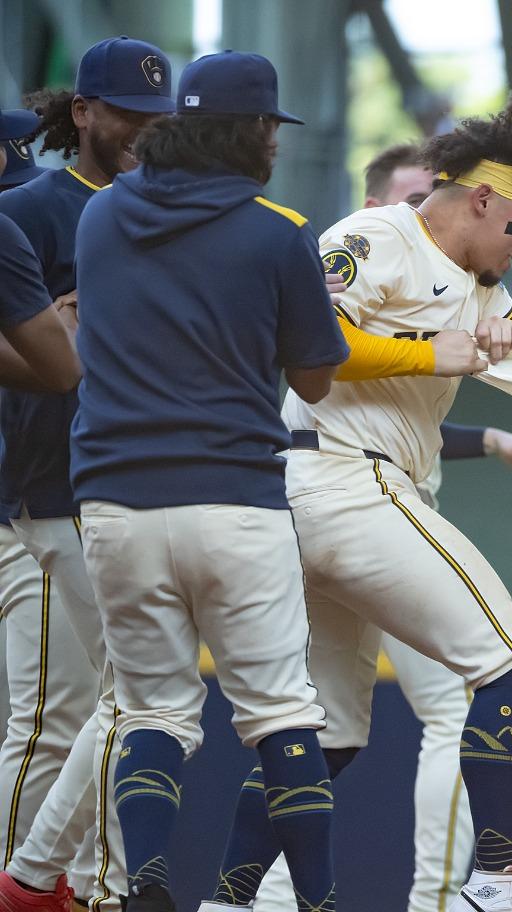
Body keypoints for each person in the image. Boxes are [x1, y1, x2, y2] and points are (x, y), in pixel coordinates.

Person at [201, 88, 512, 912]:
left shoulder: (482, 286)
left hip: (329, 501)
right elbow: (308, 340)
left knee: (330, 735)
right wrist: (436, 353)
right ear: (481, 199)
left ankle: (230, 899)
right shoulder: (375, 233)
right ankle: (492, 880)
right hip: (341, 481)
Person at [65, 50, 348, 912]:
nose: (275, 142)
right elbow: (315, 380)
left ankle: (147, 882)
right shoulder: (275, 229)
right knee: (280, 717)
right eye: (271, 127)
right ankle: (317, 900)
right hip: (233, 500)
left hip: (113, 503)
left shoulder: (100, 217)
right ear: (255, 131)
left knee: (153, 713)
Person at [0, 35, 174, 912]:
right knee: (62, 716)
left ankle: (95, 888)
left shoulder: (167, 213)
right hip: (49, 486)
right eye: (127, 112)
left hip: (141, 486)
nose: (143, 129)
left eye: (156, 115)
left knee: (125, 710)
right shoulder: (32, 208)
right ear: (82, 113)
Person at [0, 116, 86, 887]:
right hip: (36, 501)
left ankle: (78, 888)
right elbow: (57, 373)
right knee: (53, 718)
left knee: (80, 714)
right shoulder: (20, 218)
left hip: (43, 498)